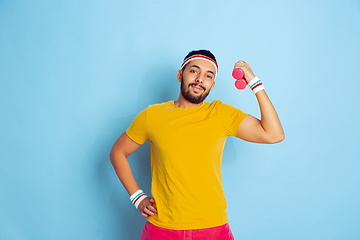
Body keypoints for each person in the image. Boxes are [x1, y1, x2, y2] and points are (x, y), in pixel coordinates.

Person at [110, 49, 284, 240]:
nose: (201, 79)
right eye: (194, 71)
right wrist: (137, 197)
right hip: (162, 228)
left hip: (212, 227)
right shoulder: (152, 116)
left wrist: (253, 82)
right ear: (180, 75)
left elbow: (274, 134)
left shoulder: (221, 114)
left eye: (208, 76)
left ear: (212, 84)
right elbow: (118, 152)